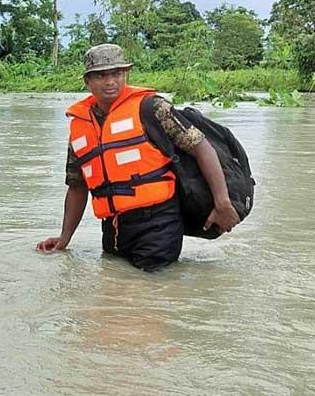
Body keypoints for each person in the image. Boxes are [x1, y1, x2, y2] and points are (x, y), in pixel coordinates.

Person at [36, 44, 241, 272]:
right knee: (115, 290)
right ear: (87, 82)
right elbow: (77, 186)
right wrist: (65, 238)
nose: (110, 81)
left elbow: (202, 148)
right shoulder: (80, 125)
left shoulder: (152, 108)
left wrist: (223, 203)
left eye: (117, 73)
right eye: (101, 75)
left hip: (158, 225)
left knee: (149, 295)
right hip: (112, 231)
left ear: (126, 75)